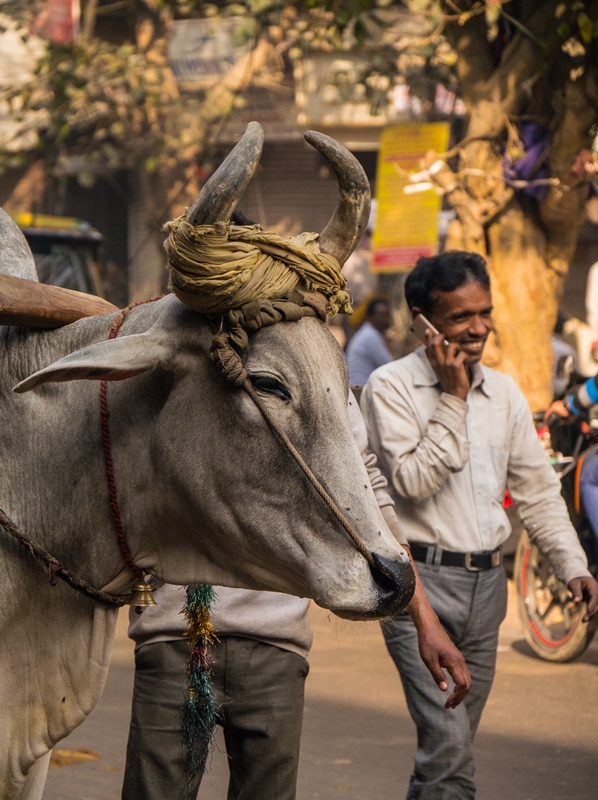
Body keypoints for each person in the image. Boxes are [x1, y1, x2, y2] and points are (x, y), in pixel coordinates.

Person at [122, 394, 470, 800]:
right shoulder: (181, 350)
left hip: (276, 646)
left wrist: (425, 618)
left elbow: (367, 490)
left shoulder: (318, 369)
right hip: (174, 636)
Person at [360, 250, 598, 800]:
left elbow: (538, 493)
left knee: (454, 746)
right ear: (422, 320)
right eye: (460, 317)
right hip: (420, 590)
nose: (478, 328)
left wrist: (573, 566)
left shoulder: (508, 394)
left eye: (484, 313)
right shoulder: (389, 388)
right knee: (448, 749)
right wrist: (455, 398)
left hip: (488, 592)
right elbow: (414, 480)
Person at [345, 298, 393, 385]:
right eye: (383, 315)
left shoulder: (367, 332)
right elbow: (390, 366)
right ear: (371, 317)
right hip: (360, 391)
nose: (387, 320)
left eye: (388, 315)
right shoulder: (370, 336)